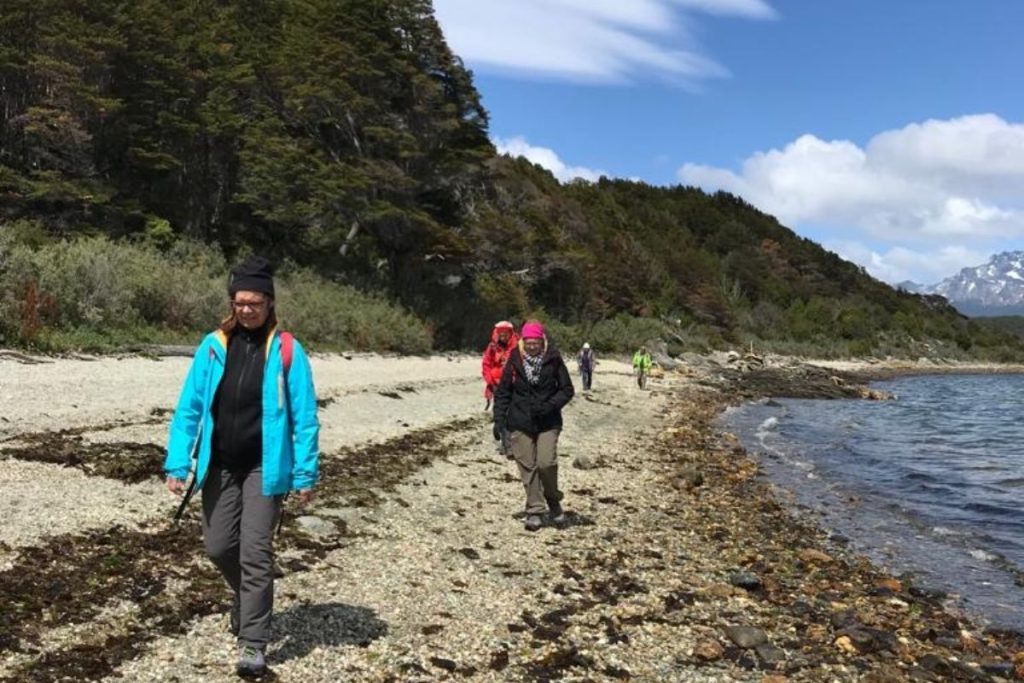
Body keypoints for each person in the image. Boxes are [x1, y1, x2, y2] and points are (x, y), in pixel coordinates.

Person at [164, 256, 319, 678]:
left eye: (254, 302)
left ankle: (253, 642)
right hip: (220, 466)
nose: (246, 310)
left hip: (264, 469)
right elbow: (189, 408)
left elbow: (304, 417)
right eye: (239, 302)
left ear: (269, 303)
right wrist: (178, 462)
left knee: (256, 553)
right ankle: (244, 594)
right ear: (232, 302)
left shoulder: (288, 350)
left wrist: (305, 472)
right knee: (217, 546)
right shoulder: (213, 346)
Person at [493, 320, 575, 531]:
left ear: (542, 341)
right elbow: (503, 392)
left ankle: (553, 500)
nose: (532, 346)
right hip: (520, 421)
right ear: (522, 341)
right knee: (527, 467)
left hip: (548, 421)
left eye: (536, 342)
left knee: (546, 463)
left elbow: (566, 390)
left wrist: (549, 406)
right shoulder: (514, 360)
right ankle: (535, 510)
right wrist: (499, 421)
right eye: (528, 342)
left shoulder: (554, 359)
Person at [482, 320, 518, 454]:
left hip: (514, 385)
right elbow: (486, 364)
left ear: (510, 334)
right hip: (497, 385)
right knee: (501, 414)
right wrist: (490, 381)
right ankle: (507, 445)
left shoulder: (517, 347)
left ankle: (511, 443)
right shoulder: (492, 347)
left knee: (513, 414)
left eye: (505, 334)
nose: (503, 337)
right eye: (500, 334)